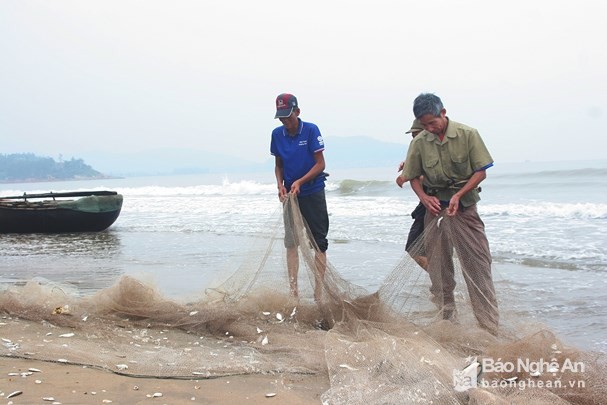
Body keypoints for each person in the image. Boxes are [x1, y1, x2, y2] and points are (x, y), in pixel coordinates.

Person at [402, 93, 499, 334]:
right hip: (434, 213)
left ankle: (489, 329)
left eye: (432, 123)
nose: (429, 129)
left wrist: (458, 195)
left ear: (443, 113)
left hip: (464, 210)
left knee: (477, 267)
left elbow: (481, 172)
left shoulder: (468, 134)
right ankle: (447, 326)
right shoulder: (419, 142)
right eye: (424, 125)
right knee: (439, 273)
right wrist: (424, 198)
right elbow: (411, 177)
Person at [270, 93, 329, 301]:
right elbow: (279, 165)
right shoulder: (277, 135)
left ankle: (318, 293)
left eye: (289, 116)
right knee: (291, 242)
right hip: (290, 197)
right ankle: (293, 292)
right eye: (282, 118)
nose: (286, 121)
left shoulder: (311, 130)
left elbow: (320, 164)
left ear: (297, 112)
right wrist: (280, 185)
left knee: (319, 244)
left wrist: (300, 182)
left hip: (312, 192)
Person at [396, 119, 429, 272]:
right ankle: (441, 285)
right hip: (426, 204)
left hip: (433, 204)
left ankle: (441, 282)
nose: (413, 138)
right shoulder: (419, 149)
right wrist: (409, 167)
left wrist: (411, 174)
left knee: (414, 248)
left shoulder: (434, 148)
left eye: (416, 134)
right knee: (417, 249)